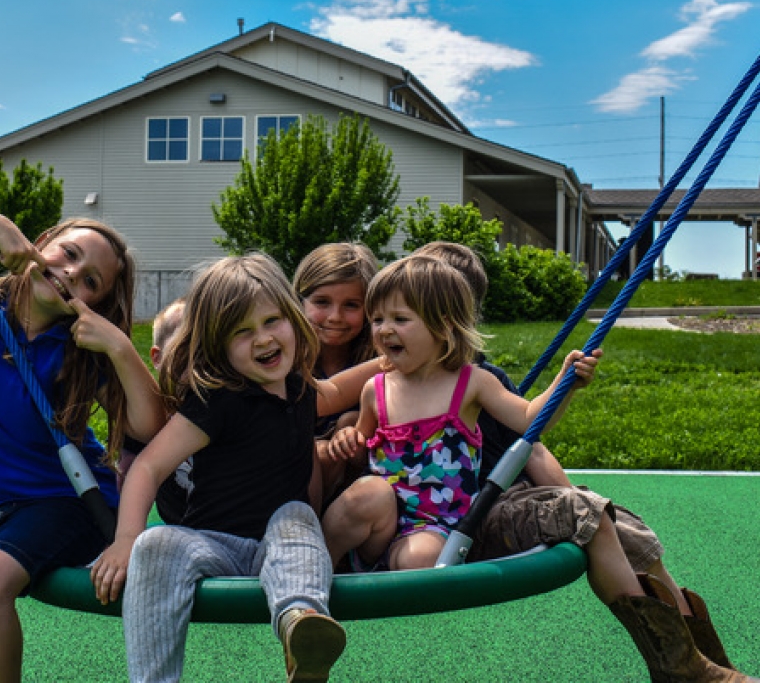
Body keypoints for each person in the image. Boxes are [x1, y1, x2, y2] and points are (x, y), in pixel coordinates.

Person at [413, 240, 758, 683]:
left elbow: (532, 443)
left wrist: (579, 495)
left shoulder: (482, 378)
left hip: (515, 496)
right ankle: (681, 669)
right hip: (474, 510)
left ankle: (705, 659)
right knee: (589, 513)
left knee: (625, 527)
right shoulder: (400, 381)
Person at [90, 252, 382, 683]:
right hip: (213, 545)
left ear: (293, 320)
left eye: (271, 321)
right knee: (156, 544)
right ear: (218, 346)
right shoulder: (219, 402)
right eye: (241, 332)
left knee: (297, 516)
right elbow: (148, 467)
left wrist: (398, 360)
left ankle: (300, 626)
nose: (262, 339)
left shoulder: (299, 389)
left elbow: (338, 389)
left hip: (278, 544)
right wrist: (125, 539)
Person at [0, 212, 166, 683]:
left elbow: (149, 426)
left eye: (90, 279)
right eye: (68, 254)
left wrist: (119, 346)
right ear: (42, 241)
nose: (72, 273)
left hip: (68, 501)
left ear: (95, 300)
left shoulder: (81, 345)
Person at [322, 254, 599, 573]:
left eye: (400, 319)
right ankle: (319, 565)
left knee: (420, 559)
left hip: (434, 528)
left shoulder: (472, 384)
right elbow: (362, 449)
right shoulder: (377, 388)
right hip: (380, 522)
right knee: (368, 492)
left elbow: (530, 421)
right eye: (377, 319)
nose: (384, 330)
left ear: (443, 325)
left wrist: (564, 383)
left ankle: (394, 573)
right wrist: (349, 438)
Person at [293, 242, 378, 503]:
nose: (335, 317)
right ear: (299, 301)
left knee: (351, 422)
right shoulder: (287, 356)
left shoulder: (376, 354)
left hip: (367, 484)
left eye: (351, 305)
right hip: (289, 480)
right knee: (315, 452)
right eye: (321, 302)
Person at [118, 298, 192, 524]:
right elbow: (125, 478)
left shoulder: (228, 407)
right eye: (186, 347)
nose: (198, 361)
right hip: (170, 526)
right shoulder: (148, 419)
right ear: (157, 358)